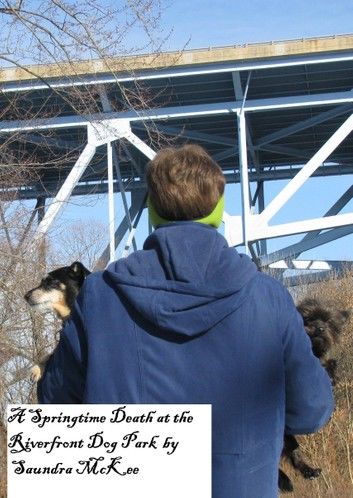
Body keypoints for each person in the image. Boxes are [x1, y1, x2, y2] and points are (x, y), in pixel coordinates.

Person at [38, 144, 334, 498]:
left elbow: (56, 402)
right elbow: (311, 412)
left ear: (152, 209)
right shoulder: (268, 298)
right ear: (218, 209)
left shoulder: (99, 297)